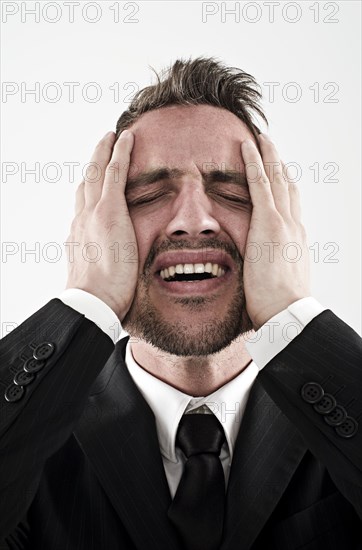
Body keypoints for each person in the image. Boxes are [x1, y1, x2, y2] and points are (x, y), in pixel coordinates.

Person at [0, 57, 361, 550]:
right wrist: (89, 301)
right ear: (97, 228)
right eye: (148, 194)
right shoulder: (40, 429)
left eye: (233, 193)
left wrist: (289, 318)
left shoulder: (336, 412)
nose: (193, 220)